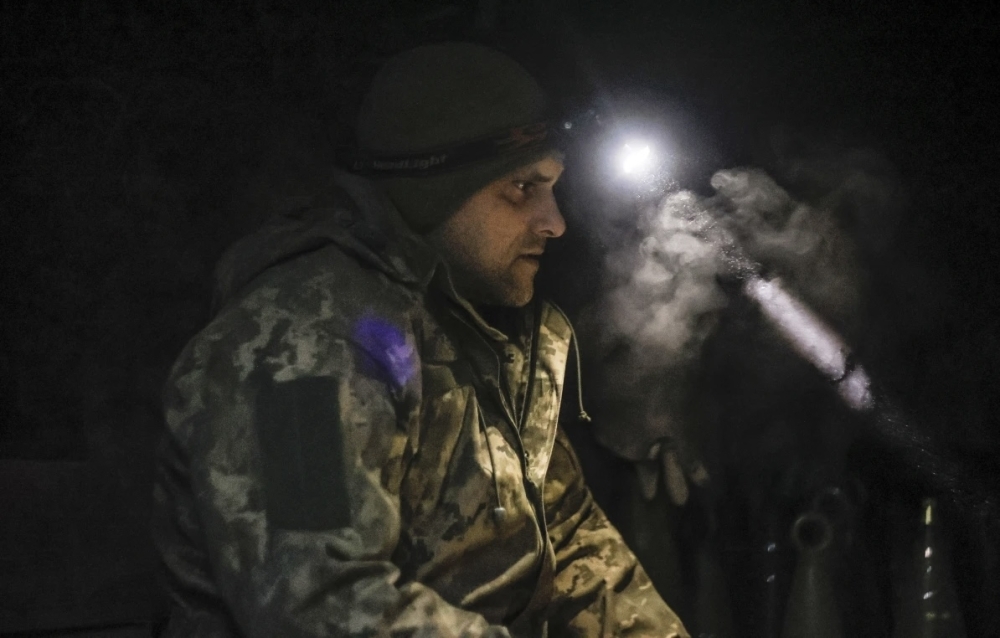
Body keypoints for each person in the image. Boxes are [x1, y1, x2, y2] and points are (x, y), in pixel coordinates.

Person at [152, 42, 689, 637]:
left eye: (553, 187)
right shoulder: (299, 343)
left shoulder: (481, 328)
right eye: (521, 188)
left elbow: (568, 540)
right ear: (436, 191)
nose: (554, 222)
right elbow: (320, 604)